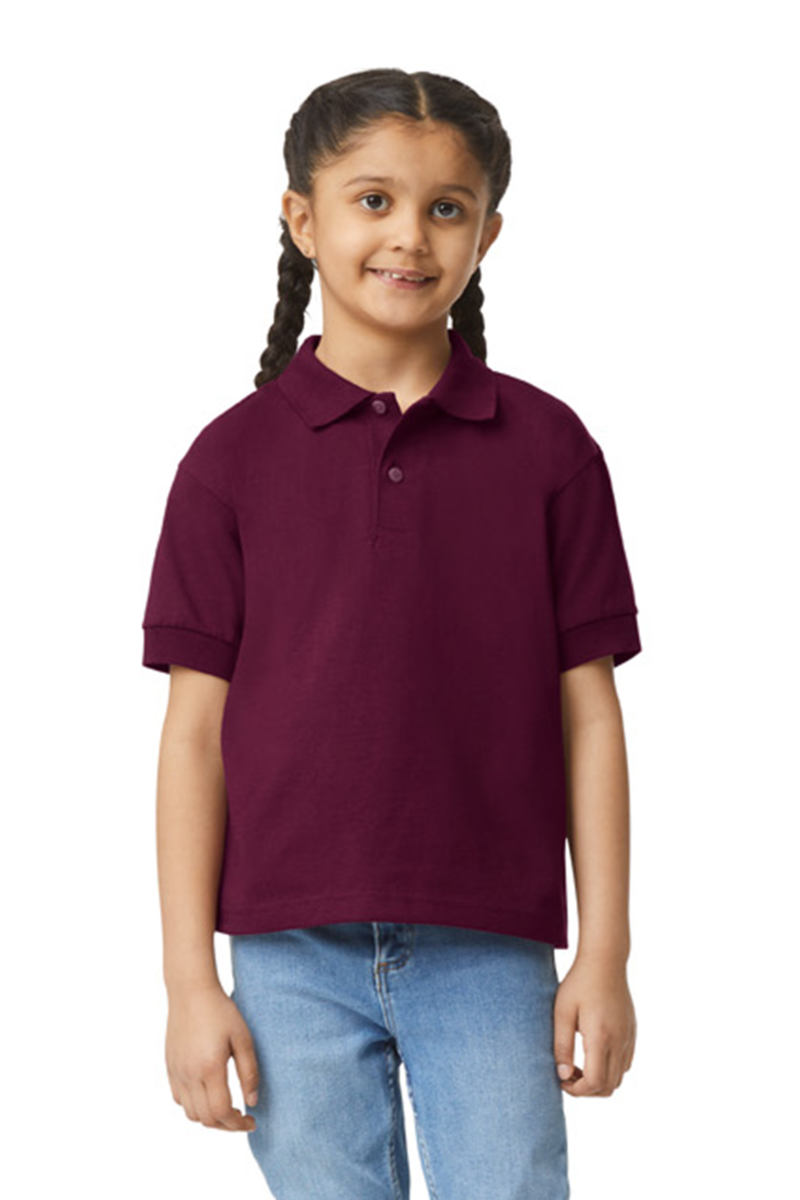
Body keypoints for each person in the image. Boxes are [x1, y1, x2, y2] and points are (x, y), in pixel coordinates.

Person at [141, 67, 642, 1200]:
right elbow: (193, 737)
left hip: (490, 944)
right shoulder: (227, 463)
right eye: (373, 200)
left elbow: (590, 717)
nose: (409, 235)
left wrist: (604, 953)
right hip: (287, 951)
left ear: (487, 234)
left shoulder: (549, 450)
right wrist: (188, 983)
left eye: (445, 207)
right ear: (301, 218)